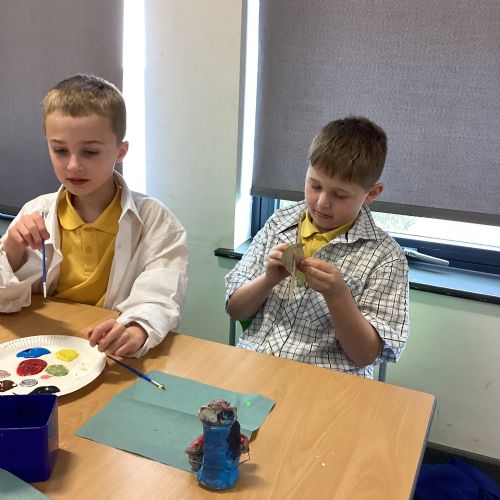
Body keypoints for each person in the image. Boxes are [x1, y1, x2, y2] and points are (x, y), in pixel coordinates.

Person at [0, 74, 188, 357]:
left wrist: (136, 329)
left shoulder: (156, 222)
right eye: (60, 150)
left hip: (111, 351)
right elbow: (6, 299)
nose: (73, 165)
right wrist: (13, 248)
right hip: (48, 348)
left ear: (120, 151)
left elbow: (161, 297)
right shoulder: (36, 212)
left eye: (89, 152)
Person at [225, 116, 408, 378]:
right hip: (257, 365)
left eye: (340, 195)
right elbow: (235, 310)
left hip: (328, 381)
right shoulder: (280, 223)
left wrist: (338, 295)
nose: (322, 202)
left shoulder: (386, 257)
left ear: (371, 194)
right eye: (315, 185)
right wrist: (267, 280)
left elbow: (365, 355)